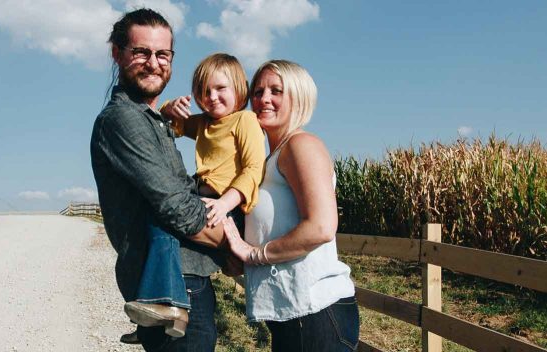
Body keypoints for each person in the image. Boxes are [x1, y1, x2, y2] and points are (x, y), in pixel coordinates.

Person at [90, 8, 235, 352]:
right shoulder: (123, 120)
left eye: (162, 54)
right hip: (174, 289)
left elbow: (183, 189)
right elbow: (178, 208)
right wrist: (238, 246)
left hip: (187, 283)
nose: (154, 62)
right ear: (117, 54)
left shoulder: (153, 121)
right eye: (141, 52)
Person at [115, 52, 265, 340]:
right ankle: (160, 315)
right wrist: (173, 108)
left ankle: (164, 307)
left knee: (163, 220)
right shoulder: (206, 122)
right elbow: (175, 124)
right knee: (157, 223)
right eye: (203, 91)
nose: (211, 96)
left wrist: (226, 203)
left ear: (239, 89)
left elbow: (253, 168)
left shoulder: (244, 120)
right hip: (204, 199)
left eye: (220, 88)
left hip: (227, 204)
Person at [221, 60, 360, 351]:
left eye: (276, 91)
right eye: (257, 91)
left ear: (298, 97)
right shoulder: (269, 160)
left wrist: (255, 254)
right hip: (290, 314)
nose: (263, 99)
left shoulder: (301, 145)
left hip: (315, 312)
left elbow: (320, 227)